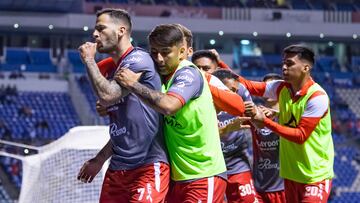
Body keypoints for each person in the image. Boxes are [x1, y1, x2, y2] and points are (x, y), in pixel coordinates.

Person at [115, 24, 227, 203]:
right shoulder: (161, 79)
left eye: (166, 52)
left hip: (204, 175)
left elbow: (169, 106)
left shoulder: (188, 73)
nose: (159, 59)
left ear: (182, 52)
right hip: (176, 178)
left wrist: (133, 85)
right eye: (154, 52)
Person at [77, 8, 169, 203]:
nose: (94, 34)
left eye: (101, 28)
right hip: (117, 168)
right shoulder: (113, 70)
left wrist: (88, 60)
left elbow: (107, 95)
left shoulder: (138, 59)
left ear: (121, 31)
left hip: (147, 166)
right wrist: (100, 158)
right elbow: (123, 130)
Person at [240, 44, 334, 203]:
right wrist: (220, 69)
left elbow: (300, 135)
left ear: (306, 67)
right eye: (283, 63)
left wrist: (265, 122)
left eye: (289, 64)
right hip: (291, 175)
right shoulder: (281, 88)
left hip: (315, 176)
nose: (283, 67)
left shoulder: (317, 96)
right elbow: (248, 86)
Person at [208, 69, 257, 203]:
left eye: (236, 91)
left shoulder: (240, 100)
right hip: (210, 167)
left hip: (237, 163)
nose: (236, 95)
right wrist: (227, 128)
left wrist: (257, 113)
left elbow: (259, 123)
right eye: (232, 91)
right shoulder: (200, 105)